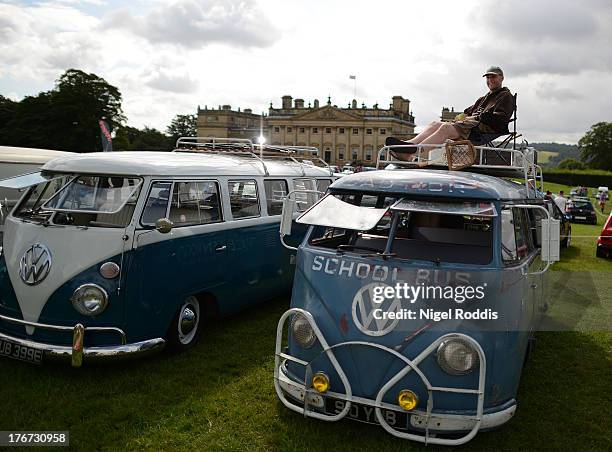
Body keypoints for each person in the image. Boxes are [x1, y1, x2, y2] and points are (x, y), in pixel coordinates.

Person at [386, 66, 515, 160]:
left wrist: (478, 117)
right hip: (471, 126)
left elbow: (500, 119)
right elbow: (466, 112)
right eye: (487, 77)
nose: (490, 80)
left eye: (493, 76)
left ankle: (413, 153)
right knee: (434, 124)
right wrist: (463, 117)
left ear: (502, 78)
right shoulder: (484, 98)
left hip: (484, 131)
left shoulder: (505, 96)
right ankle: (410, 145)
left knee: (446, 128)